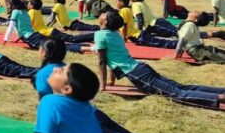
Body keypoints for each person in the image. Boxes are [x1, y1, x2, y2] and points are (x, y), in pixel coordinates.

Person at [35, 38, 225, 133]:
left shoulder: (45, 79)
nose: (57, 70)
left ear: (44, 53)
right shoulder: (69, 73)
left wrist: (46, 131)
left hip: (83, 124)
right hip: (94, 116)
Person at [34, 62, 148, 133]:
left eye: (61, 71)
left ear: (67, 89)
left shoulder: (50, 102)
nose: (54, 69)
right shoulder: (87, 109)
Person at [96, 10, 225, 108]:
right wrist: (110, 82)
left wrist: (103, 86)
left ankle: (220, 97)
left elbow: (102, 61)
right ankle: (221, 92)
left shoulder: (100, 35)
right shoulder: (115, 33)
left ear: (105, 22)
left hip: (137, 73)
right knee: (181, 87)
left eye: (104, 14)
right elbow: (112, 58)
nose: (101, 14)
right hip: (141, 67)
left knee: (177, 93)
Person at [29, 0, 94, 44]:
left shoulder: (31, 12)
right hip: (50, 30)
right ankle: (93, 36)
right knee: (72, 38)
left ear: (32, 5)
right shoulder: (38, 11)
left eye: (29, 3)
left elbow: (28, 24)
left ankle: (94, 36)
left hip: (49, 32)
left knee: (72, 39)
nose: (28, 5)